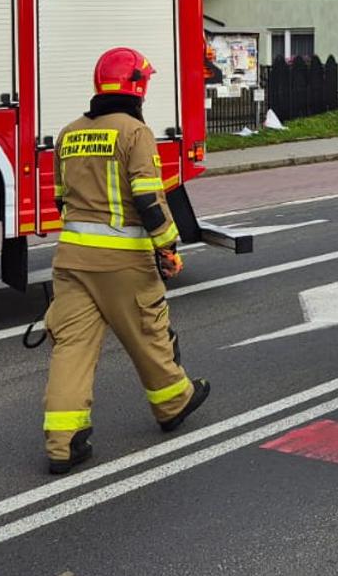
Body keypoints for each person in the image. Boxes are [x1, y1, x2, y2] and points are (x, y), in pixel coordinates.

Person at [40, 47, 211, 475]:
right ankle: (173, 402)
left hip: (72, 259)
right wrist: (168, 246)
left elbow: (61, 198)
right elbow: (148, 199)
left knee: (72, 348)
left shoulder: (69, 133)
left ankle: (64, 442)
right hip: (124, 260)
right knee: (148, 335)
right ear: (137, 86)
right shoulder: (135, 133)